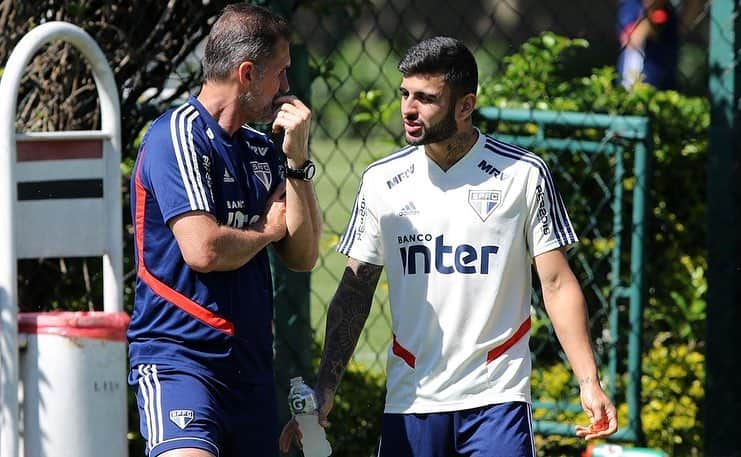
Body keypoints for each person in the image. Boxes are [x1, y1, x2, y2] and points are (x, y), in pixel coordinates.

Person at [280, 36, 617, 456]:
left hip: (498, 400)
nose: (408, 108)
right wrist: (327, 386)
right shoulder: (380, 181)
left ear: (464, 106)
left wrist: (589, 382)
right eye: (404, 94)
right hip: (412, 400)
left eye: (425, 98)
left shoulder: (523, 175)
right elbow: (355, 289)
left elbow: (556, 283)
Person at [127, 3, 322, 457]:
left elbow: (304, 255)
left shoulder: (260, 148)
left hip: (249, 369)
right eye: (281, 73)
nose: (287, 88)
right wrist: (266, 231)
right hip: (180, 360)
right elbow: (204, 250)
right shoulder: (176, 136)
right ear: (248, 73)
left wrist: (296, 161)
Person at [617, 0, 679, 90]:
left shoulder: (668, 10)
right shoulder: (631, 4)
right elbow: (630, 40)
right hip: (633, 82)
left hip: (663, 82)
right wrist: (651, 13)